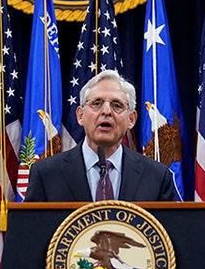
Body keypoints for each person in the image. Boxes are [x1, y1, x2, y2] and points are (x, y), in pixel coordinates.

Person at [24, 70, 177, 202]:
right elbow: (30, 234)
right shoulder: (46, 174)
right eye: (97, 103)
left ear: (131, 119)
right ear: (80, 115)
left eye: (117, 105)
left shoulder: (157, 177)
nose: (106, 111)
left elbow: (167, 234)